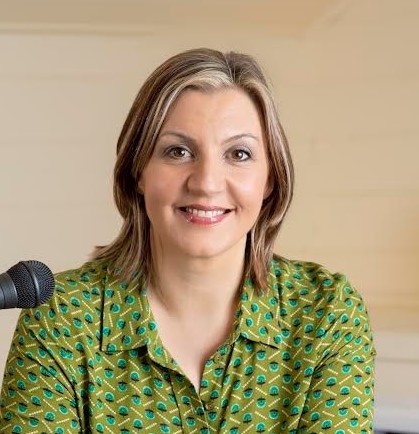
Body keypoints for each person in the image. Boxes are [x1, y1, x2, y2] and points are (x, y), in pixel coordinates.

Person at [0, 48, 375, 433]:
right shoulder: (61, 317)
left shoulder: (325, 313)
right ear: (139, 172)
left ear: (270, 179)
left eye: (239, 153)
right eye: (178, 151)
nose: (206, 183)